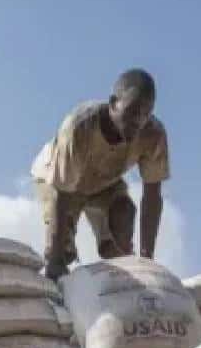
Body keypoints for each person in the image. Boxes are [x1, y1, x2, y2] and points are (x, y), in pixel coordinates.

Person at [34, 69, 169, 279]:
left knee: (122, 229)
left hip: (105, 183)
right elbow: (62, 192)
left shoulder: (152, 134)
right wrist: (56, 258)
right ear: (114, 102)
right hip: (58, 181)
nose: (138, 121)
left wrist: (146, 260)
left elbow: (152, 195)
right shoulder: (80, 126)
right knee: (61, 255)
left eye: (146, 114)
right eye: (133, 112)